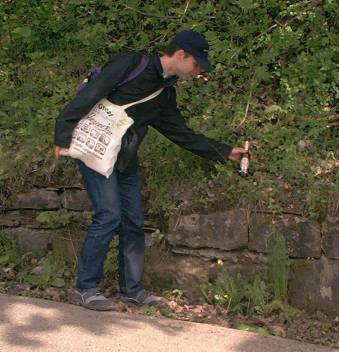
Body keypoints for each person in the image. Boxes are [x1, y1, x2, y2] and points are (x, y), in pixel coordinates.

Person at [54, 29, 247, 311]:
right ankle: (87, 288)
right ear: (181, 54)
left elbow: (181, 134)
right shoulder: (130, 64)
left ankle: (132, 290)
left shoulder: (164, 96)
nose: (197, 71)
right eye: (196, 64)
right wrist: (62, 135)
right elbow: (91, 94)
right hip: (95, 152)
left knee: (132, 222)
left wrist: (225, 151)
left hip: (124, 161)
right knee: (109, 215)